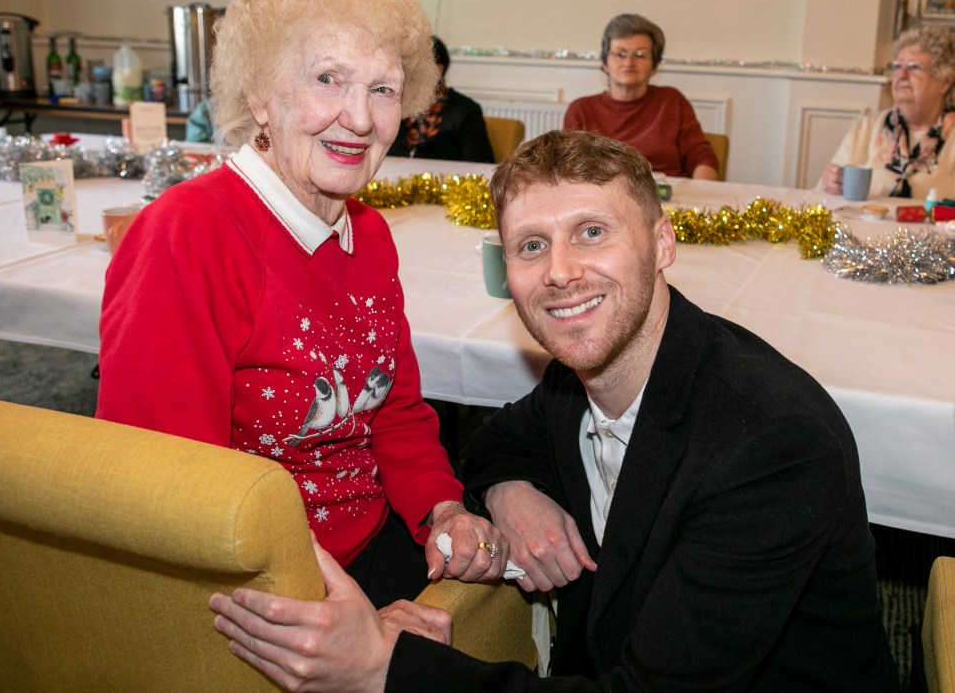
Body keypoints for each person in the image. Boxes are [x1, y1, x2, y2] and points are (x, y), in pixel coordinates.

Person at [210, 131, 900, 692]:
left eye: (592, 232)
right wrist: (511, 492)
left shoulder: (771, 444)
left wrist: (385, 666)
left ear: (662, 242)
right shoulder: (582, 381)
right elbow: (497, 442)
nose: (560, 271)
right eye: (531, 246)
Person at [96, 0, 507, 608]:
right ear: (260, 93)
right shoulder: (186, 235)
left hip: (371, 542)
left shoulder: (368, 234)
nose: (359, 117)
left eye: (382, 89)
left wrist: (442, 509)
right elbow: (170, 492)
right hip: (251, 588)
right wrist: (353, 629)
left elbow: (397, 414)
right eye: (328, 79)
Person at [564, 13, 718, 179]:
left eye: (640, 55)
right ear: (604, 63)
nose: (629, 63)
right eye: (620, 54)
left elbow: (702, 158)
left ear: (655, 66)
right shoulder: (581, 110)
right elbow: (570, 171)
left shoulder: (672, 101)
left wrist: (697, 195)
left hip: (667, 199)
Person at [820, 25, 955, 199]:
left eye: (914, 67)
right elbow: (826, 192)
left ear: (944, 82)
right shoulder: (868, 126)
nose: (902, 75)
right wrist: (832, 182)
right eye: (897, 66)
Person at [388, 36, 494, 163]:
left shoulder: (466, 110)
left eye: (416, 65)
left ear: (438, 70)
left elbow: (480, 164)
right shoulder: (395, 104)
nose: (409, 72)